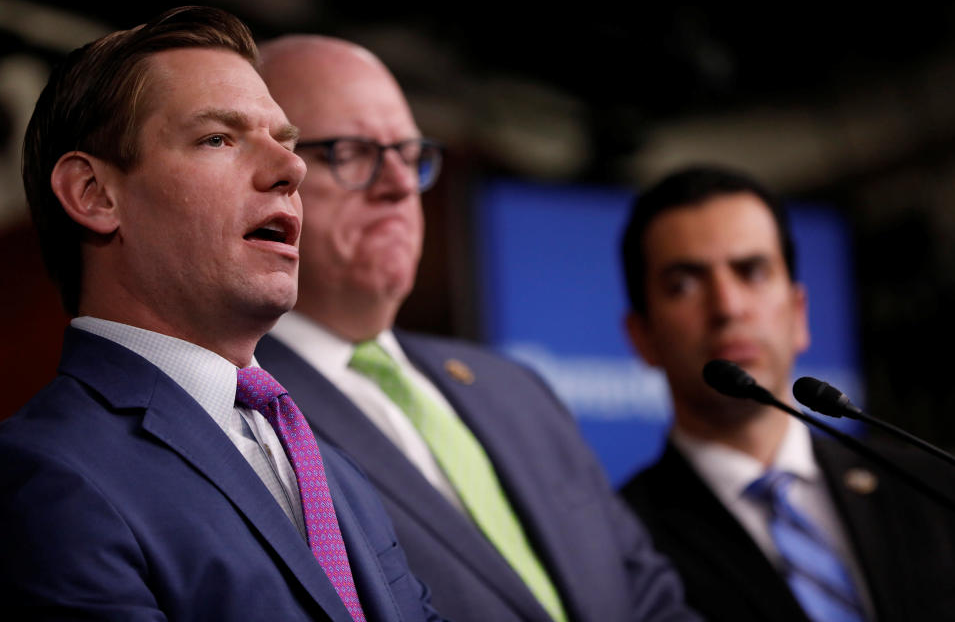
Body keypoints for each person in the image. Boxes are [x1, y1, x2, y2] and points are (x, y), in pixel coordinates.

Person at [0, 6, 444, 622]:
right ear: (95, 195)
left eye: (285, 142)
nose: (292, 170)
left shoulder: (323, 462)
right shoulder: (45, 475)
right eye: (218, 138)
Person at [254, 35, 698, 622]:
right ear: (262, 180)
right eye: (353, 152)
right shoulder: (249, 418)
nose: (398, 186)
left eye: (410, 155)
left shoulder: (515, 389)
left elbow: (650, 600)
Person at [617, 165, 955, 621]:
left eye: (752, 271)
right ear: (642, 336)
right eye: (684, 283)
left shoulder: (933, 489)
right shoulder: (620, 542)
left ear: (799, 314)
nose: (728, 306)